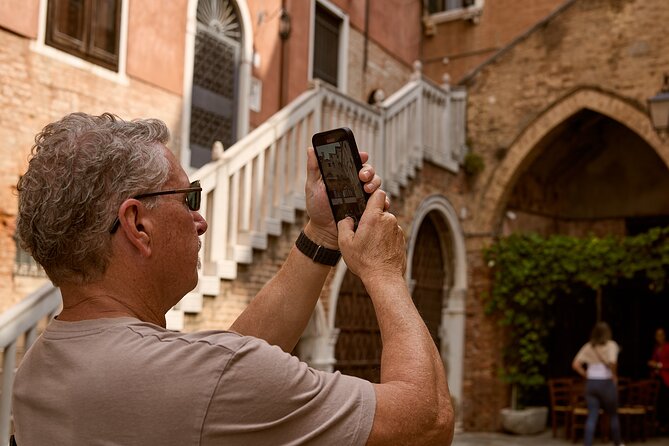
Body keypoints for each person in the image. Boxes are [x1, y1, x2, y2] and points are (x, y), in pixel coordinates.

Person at [11, 113, 454, 445]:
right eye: (188, 198)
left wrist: (321, 234)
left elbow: (218, 375)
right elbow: (429, 420)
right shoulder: (209, 378)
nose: (200, 220)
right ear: (136, 224)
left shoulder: (37, 370)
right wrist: (385, 273)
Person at [572, 322, 624, 446]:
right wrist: (614, 375)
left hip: (591, 383)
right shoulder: (611, 345)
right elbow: (612, 362)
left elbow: (575, 364)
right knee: (613, 414)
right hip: (606, 382)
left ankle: (587, 444)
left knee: (592, 415)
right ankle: (618, 443)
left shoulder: (588, 346)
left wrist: (586, 375)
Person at [648, 327, 669, 434]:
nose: (658, 337)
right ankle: (657, 424)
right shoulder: (656, 348)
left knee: (665, 402)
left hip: (666, 379)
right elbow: (654, 361)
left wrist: (658, 365)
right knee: (657, 402)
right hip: (657, 379)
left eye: (660, 335)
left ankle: (665, 425)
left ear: (664, 336)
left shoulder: (667, 347)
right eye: (657, 335)